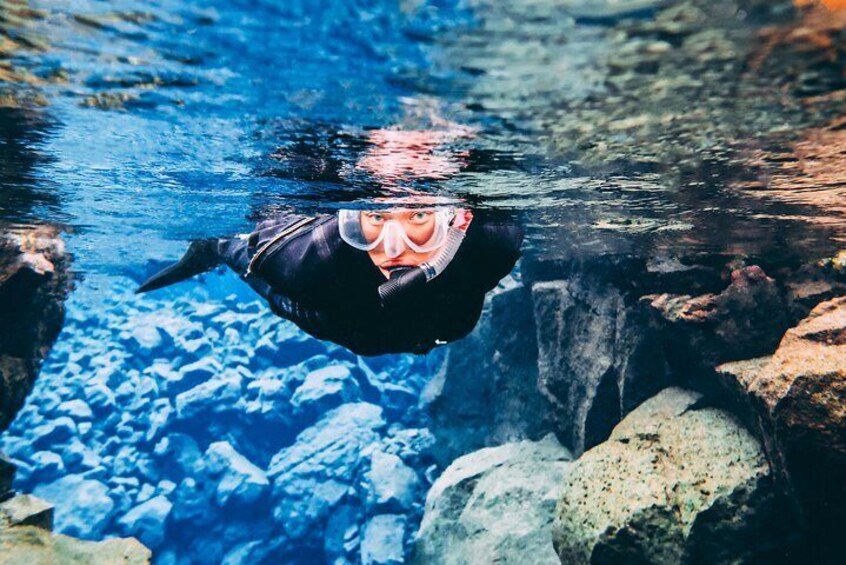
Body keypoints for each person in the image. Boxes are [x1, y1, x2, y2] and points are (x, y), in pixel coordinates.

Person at [137, 205, 522, 355]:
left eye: (419, 218)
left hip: (430, 327)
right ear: (353, 219)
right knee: (246, 258)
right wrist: (222, 245)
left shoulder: (494, 241)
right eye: (374, 219)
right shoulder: (308, 262)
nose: (392, 249)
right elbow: (263, 254)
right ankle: (212, 249)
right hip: (337, 313)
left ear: (459, 223)